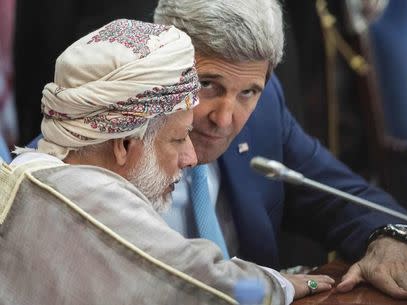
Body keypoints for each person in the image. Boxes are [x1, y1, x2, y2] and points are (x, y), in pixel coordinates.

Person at [1, 19, 336, 304]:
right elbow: (215, 287)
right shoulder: (88, 196)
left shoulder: (39, 170)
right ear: (125, 143)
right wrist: (283, 285)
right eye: (177, 139)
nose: (190, 158)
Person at [153, 0, 407, 300]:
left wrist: (389, 239)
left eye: (248, 92)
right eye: (208, 84)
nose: (224, 119)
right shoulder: (119, 137)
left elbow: (342, 196)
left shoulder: (263, 110)